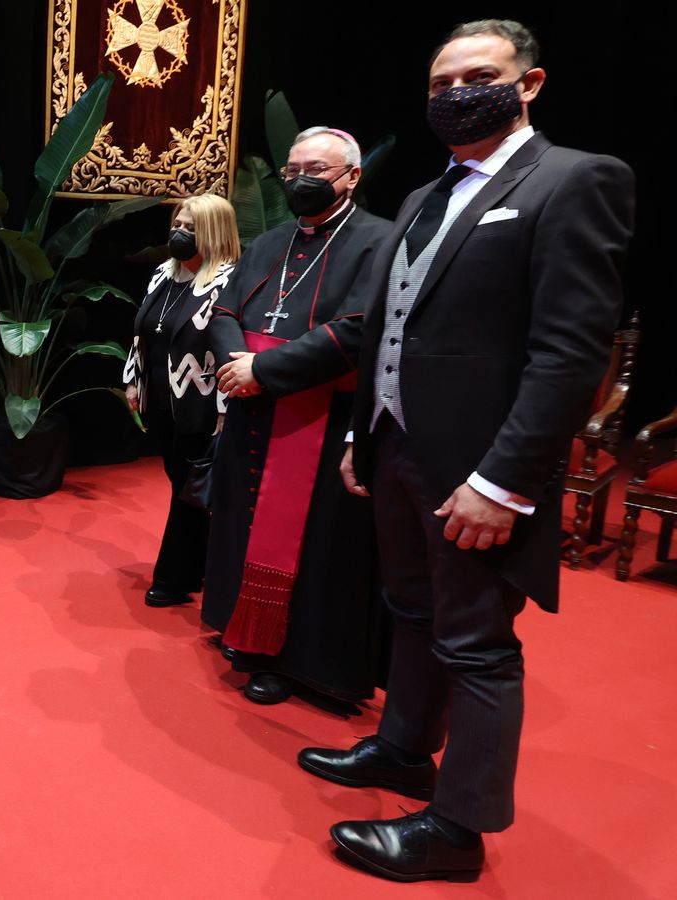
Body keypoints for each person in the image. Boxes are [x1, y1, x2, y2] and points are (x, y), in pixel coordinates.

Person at [300, 20, 635, 883]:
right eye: (440, 83)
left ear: (529, 83)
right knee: (410, 615)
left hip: (482, 474)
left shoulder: (575, 181)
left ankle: (457, 831)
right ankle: (406, 749)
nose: (455, 94)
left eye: (477, 76)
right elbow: (388, 330)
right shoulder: (421, 196)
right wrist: (359, 436)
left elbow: (569, 354)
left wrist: (506, 482)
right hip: (397, 449)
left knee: (478, 646)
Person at [200, 127, 396, 706]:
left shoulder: (378, 241)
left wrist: (266, 370)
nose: (300, 180)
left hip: (323, 419)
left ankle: (304, 664)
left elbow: (359, 328)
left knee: (317, 544)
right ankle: (249, 637)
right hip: (253, 408)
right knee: (242, 523)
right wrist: (240, 364)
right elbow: (224, 307)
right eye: (292, 170)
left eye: (316, 169)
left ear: (351, 177)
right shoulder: (271, 241)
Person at [121, 194, 240, 607]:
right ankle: (200, 566)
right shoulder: (162, 274)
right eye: (178, 223)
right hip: (163, 403)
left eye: (191, 227)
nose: (180, 232)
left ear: (214, 232)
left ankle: (173, 577)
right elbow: (143, 331)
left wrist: (227, 409)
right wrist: (133, 380)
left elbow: (229, 350)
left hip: (203, 407)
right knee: (183, 487)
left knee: (187, 491)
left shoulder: (228, 283)